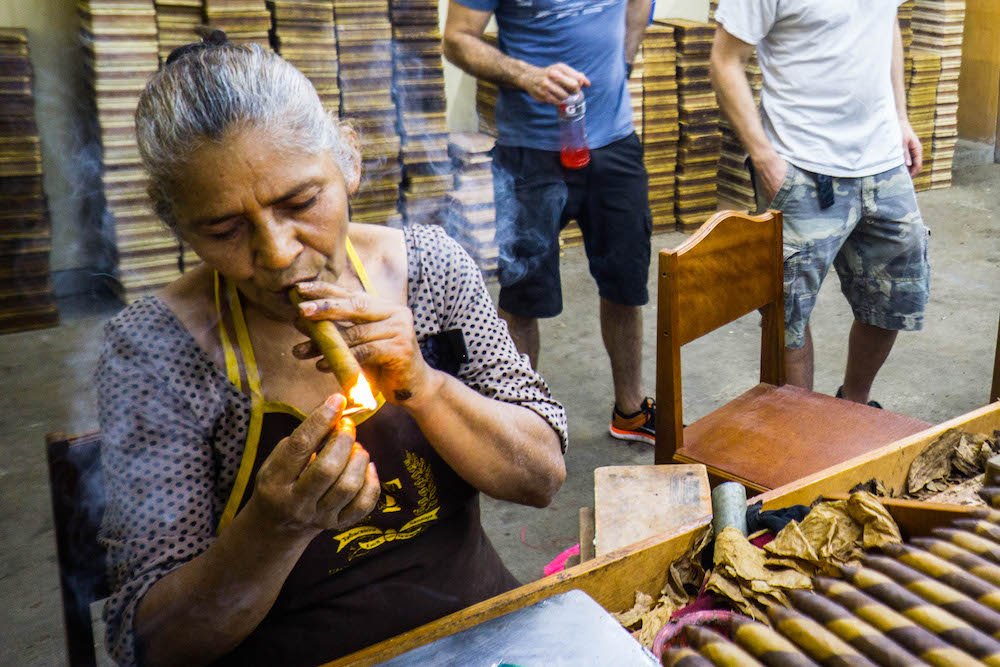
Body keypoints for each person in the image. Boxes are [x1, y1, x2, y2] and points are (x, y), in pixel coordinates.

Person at [96, 36, 567, 667]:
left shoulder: (432, 270)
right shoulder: (155, 352)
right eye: (224, 229)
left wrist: (425, 385)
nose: (278, 253)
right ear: (177, 223)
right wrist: (274, 527)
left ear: (347, 161)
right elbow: (150, 645)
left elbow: (541, 478)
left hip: (479, 629)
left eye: (300, 203)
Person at [443, 0, 657, 445]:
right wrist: (527, 76)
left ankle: (631, 411)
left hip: (613, 145)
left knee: (625, 283)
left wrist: (624, 60)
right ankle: (518, 423)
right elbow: (458, 39)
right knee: (524, 294)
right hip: (530, 154)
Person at [710, 0, 931, 406]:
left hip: (882, 163)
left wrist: (900, 117)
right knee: (788, 313)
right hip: (802, 165)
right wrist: (764, 157)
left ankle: (856, 405)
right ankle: (801, 428)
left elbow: (887, 25)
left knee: (894, 296)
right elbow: (725, 61)